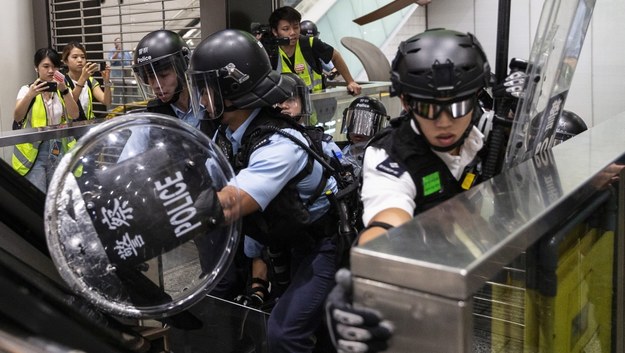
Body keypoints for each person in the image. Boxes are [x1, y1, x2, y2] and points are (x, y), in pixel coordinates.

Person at [325, 28, 494, 352]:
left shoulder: (489, 133)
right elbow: (388, 223)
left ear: (476, 98)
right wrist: (363, 279)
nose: (444, 122)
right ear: (405, 101)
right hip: (421, 293)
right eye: (428, 107)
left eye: (457, 106)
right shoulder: (389, 155)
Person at [186, 29, 340, 353]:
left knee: (284, 332)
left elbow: (228, 204)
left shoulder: (278, 144)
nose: (201, 100)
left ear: (231, 90)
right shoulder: (229, 133)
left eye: (207, 90)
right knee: (313, 326)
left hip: (326, 244)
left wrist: (166, 219)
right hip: (291, 241)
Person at [12, 48, 80, 193]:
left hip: (58, 148)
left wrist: (65, 90)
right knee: (39, 197)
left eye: (55, 67)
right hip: (34, 154)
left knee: (57, 196)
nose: (51, 71)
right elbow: (17, 116)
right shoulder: (26, 90)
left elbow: (74, 115)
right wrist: (30, 95)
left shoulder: (61, 90)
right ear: (36, 67)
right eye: (46, 66)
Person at [132, 29, 218, 137]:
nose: (156, 85)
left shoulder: (212, 103)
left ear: (182, 69)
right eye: (150, 77)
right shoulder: (153, 118)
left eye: (164, 75)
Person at [268, 6, 361, 96]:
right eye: (286, 29)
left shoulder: (310, 43)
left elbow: (335, 56)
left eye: (296, 27)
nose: (292, 32)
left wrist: (350, 81)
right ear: (275, 31)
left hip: (316, 103)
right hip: (286, 108)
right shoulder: (270, 52)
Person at [340, 96, 390, 178]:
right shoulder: (336, 152)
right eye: (354, 123)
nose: (358, 131)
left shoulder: (384, 158)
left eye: (365, 125)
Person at [62, 41, 112, 120]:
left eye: (83, 57)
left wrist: (106, 81)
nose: (80, 60)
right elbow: (70, 105)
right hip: (70, 127)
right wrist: (82, 79)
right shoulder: (62, 83)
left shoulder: (90, 80)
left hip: (86, 125)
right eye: (75, 57)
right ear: (65, 61)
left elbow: (106, 101)